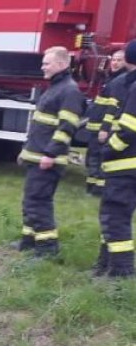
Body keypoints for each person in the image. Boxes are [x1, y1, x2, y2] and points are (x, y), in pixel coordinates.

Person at [15, 46, 85, 257]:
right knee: (30, 199)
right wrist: (25, 151)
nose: (42, 66)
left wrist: (51, 155)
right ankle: (29, 240)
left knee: (39, 202)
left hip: (47, 159)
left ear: (62, 64)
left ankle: (47, 248)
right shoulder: (55, 87)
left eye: (47, 63)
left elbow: (67, 127)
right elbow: (40, 125)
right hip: (36, 156)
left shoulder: (69, 90)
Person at [93, 40, 136, 278]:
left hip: (126, 165)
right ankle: (105, 264)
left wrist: (109, 149)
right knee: (113, 216)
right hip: (127, 166)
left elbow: (129, 128)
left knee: (116, 217)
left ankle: (121, 272)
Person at [84, 49, 126, 196]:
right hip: (96, 126)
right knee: (92, 157)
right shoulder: (111, 79)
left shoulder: (120, 81)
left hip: (103, 128)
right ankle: (91, 186)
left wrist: (105, 128)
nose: (115, 63)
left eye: (119, 60)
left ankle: (98, 189)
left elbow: (113, 107)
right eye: (113, 60)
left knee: (100, 158)